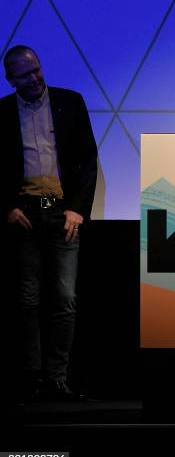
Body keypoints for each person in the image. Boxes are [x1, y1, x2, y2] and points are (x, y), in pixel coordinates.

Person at [0, 45, 98, 401]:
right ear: (10, 79)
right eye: (25, 74)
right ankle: (32, 378)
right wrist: (7, 207)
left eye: (37, 69)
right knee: (26, 298)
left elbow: (88, 159)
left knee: (65, 298)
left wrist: (77, 208)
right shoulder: (3, 112)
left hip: (62, 213)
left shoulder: (70, 102)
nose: (35, 78)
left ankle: (57, 378)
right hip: (24, 215)